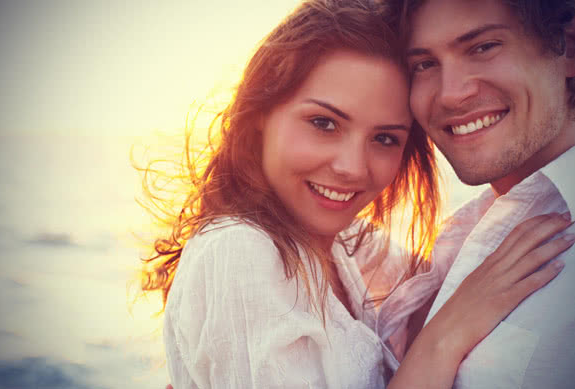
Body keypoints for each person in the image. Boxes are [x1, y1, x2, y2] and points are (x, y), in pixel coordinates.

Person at [138, 0, 573, 388]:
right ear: (259, 118)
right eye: (323, 123)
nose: (351, 167)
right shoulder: (237, 251)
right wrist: (445, 337)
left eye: (384, 138)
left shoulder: (350, 251)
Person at [379, 0, 575, 387]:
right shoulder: (465, 232)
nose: (452, 94)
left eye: (483, 47)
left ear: (568, 49)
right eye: (424, 64)